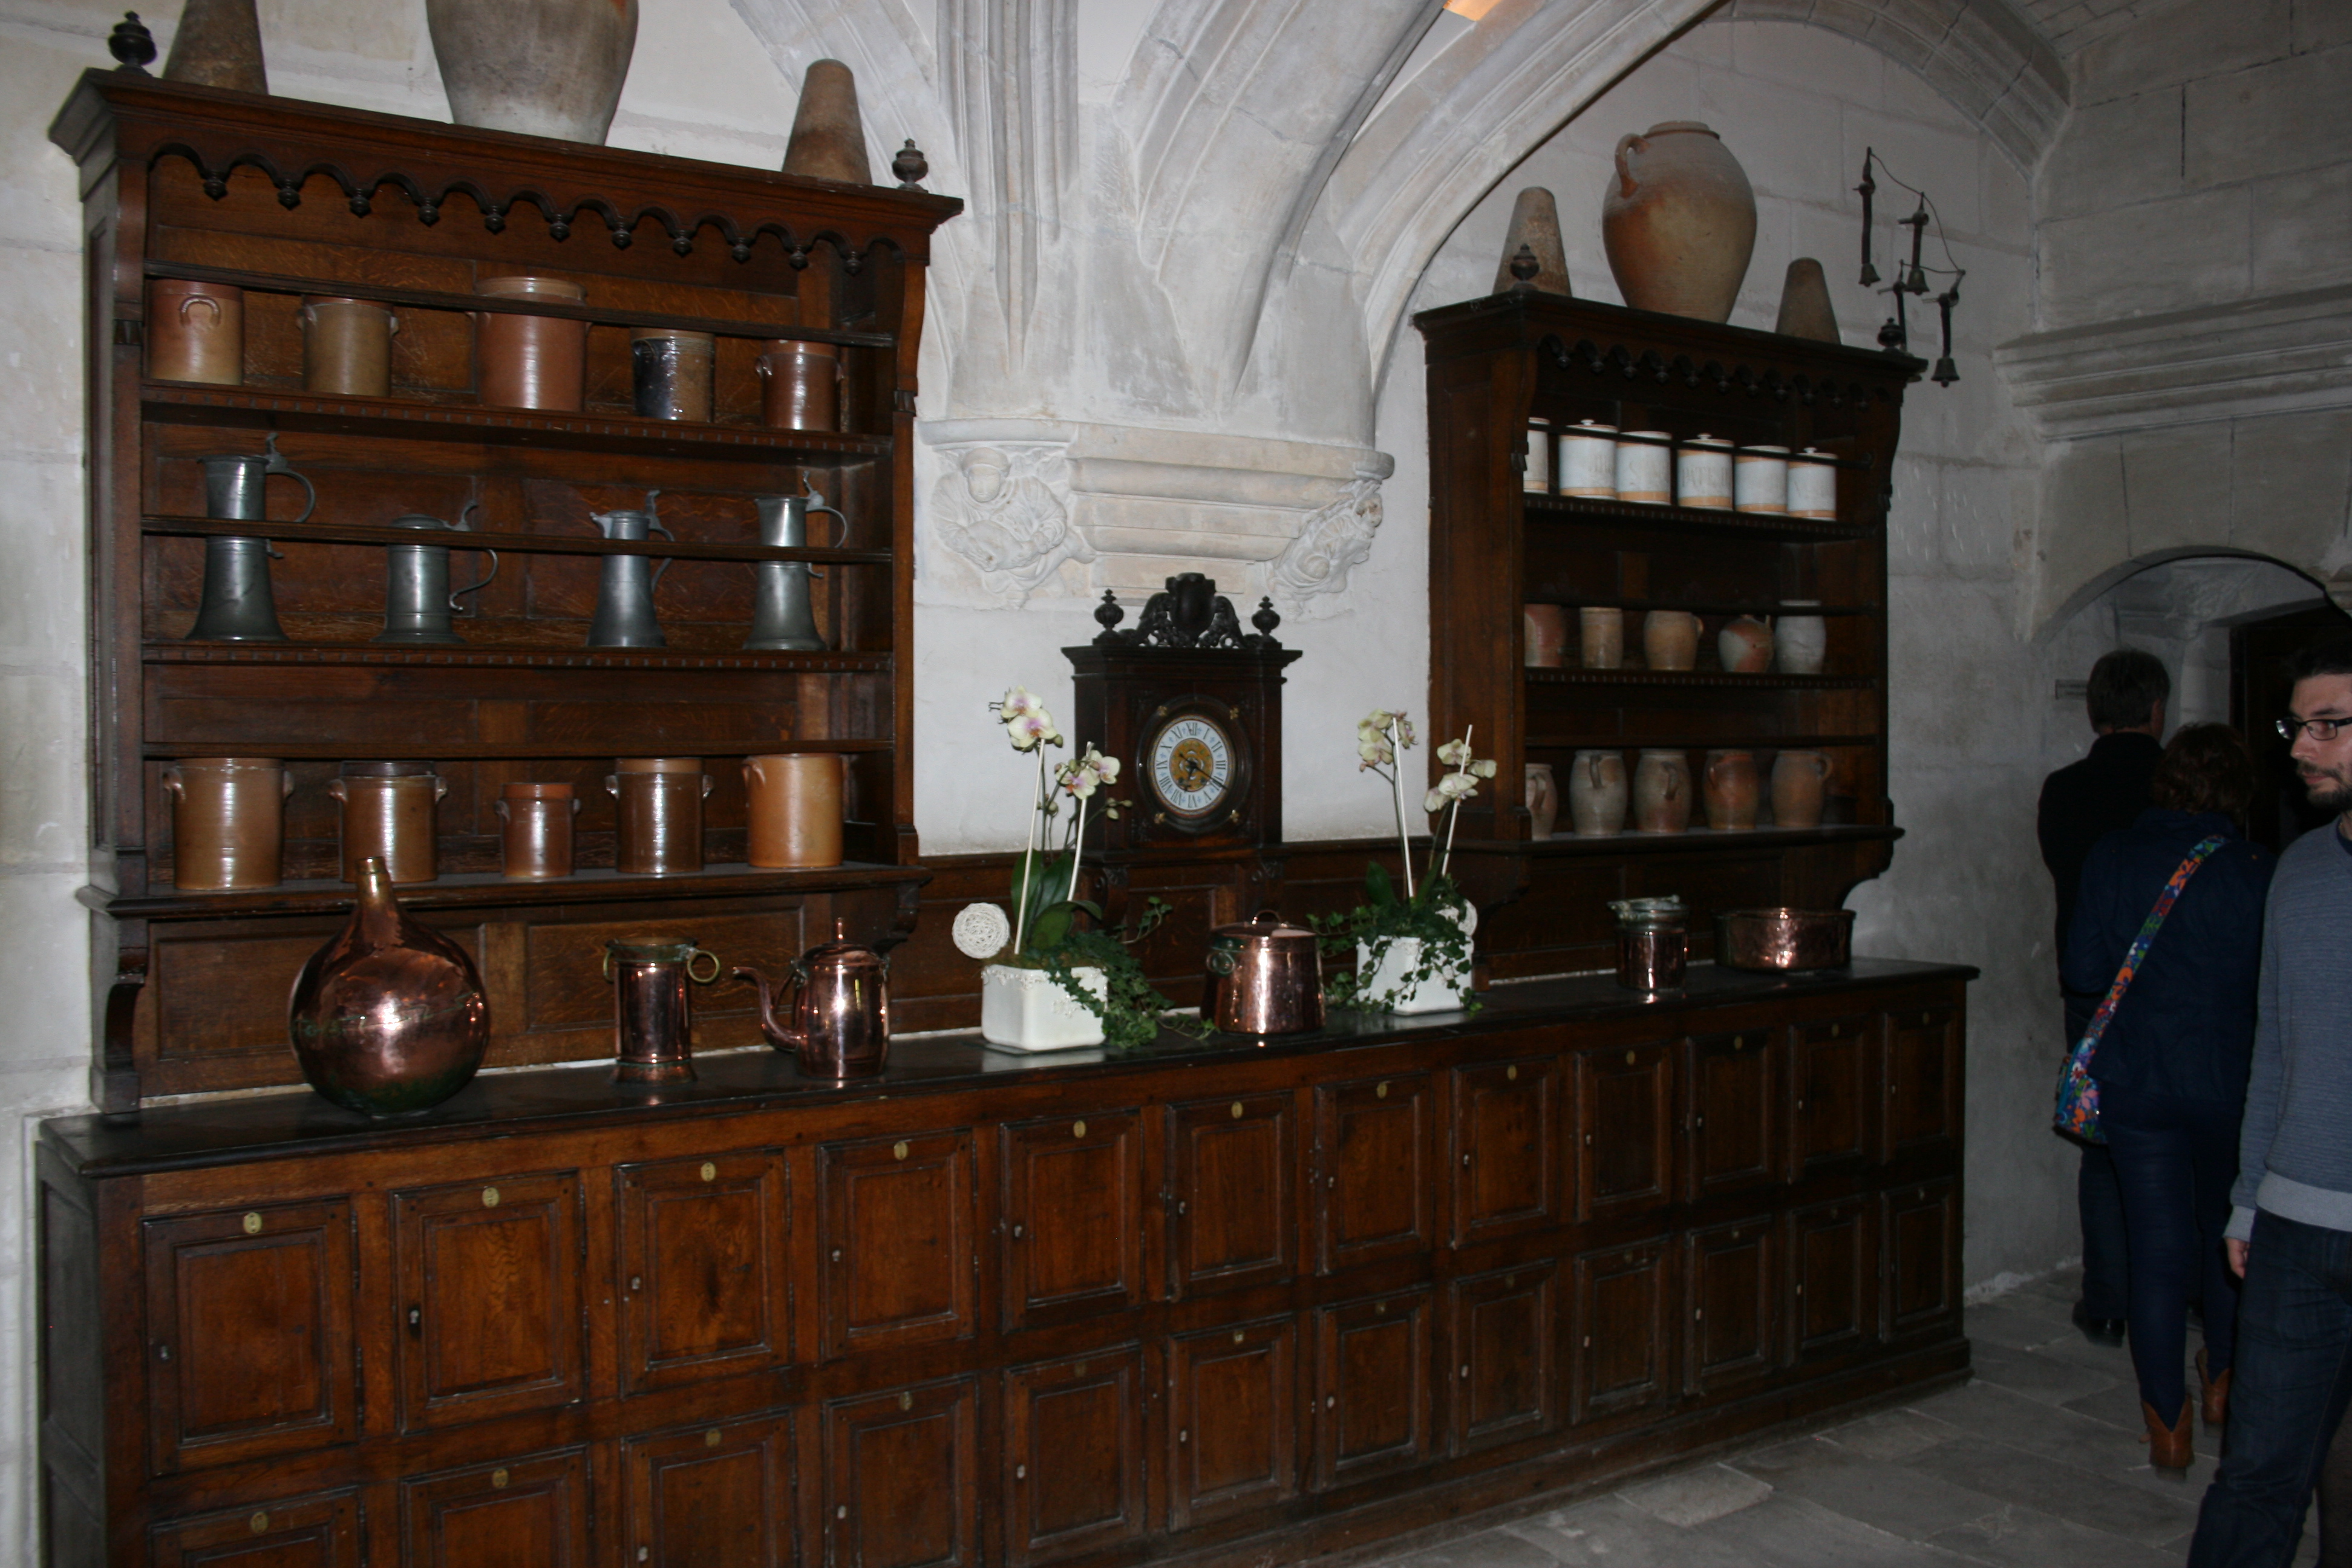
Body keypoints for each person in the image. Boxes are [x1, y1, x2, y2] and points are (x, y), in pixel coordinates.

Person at [2063, 725, 2272, 1470]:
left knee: (2155, 1247)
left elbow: (2083, 971)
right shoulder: (2258, 869)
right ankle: (2222, 1385)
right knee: (2226, 1234)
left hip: (2138, 1079)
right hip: (2228, 1082)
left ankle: (2167, 1425)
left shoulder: (2114, 855)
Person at [2187, 638, 2352, 1565]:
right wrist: (2250, 1197)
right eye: (2297, 727)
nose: (2302, 749)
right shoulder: (2299, 869)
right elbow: (2275, 1050)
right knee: (2255, 1478)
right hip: (2294, 1232)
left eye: (2330, 726)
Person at [2039, 647, 2171, 1345]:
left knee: (2104, 1143)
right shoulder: (2177, 787)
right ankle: (2179, 1290)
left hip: (2093, 986)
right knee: (2179, 1137)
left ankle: (2109, 1299)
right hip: (2173, 988)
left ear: (2097, 712)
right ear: (2157, 710)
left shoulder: (2065, 790)